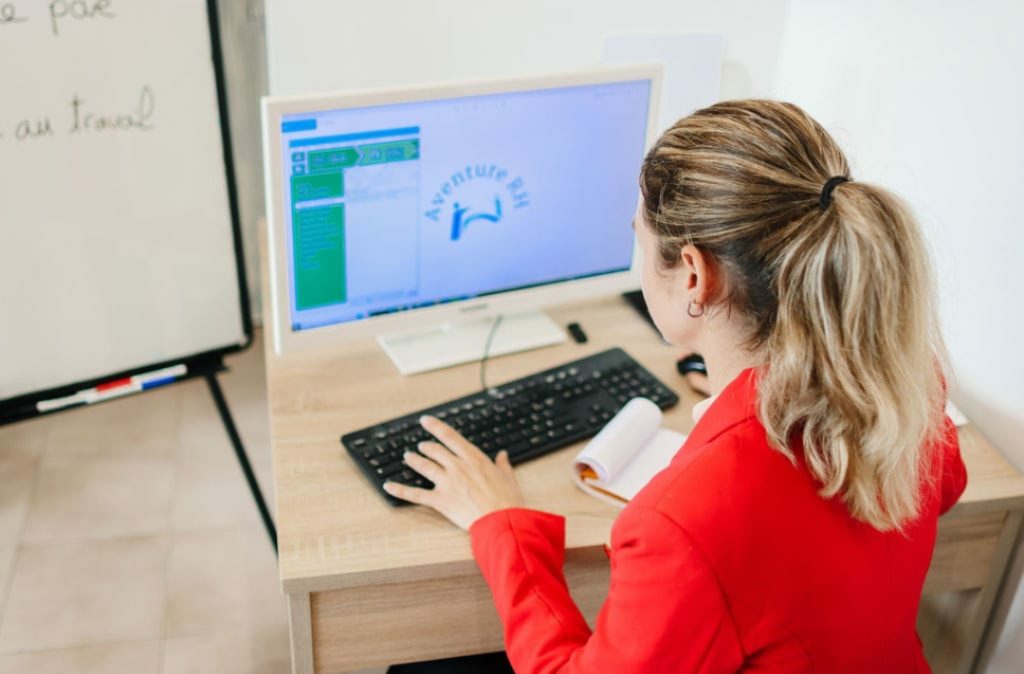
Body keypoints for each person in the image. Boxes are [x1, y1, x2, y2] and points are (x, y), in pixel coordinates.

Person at [383, 100, 967, 673]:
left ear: (693, 274)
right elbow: (945, 484)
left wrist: (501, 523)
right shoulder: (901, 388)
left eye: (641, 243)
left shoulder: (682, 521)